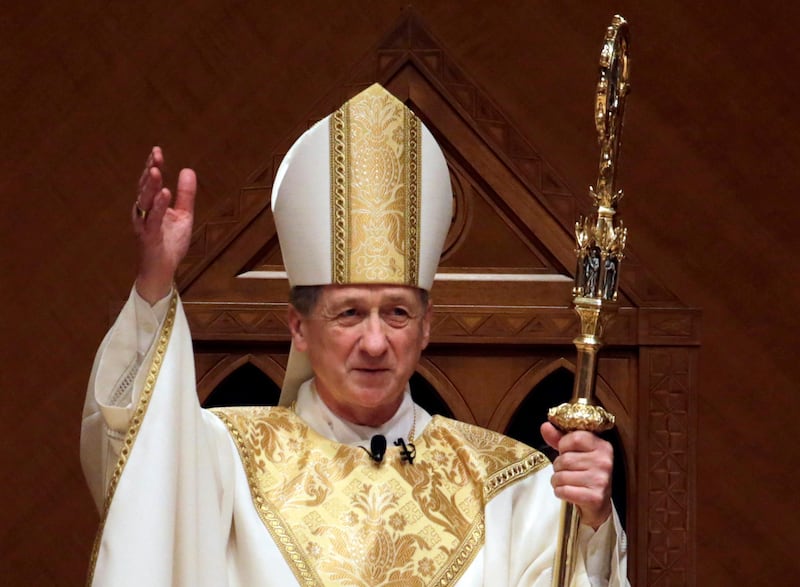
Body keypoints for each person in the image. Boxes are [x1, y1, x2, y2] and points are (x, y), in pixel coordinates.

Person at [81, 84, 628, 586]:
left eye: (396, 314)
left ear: (426, 328)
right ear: (299, 327)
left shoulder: (507, 487)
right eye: (347, 315)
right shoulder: (225, 459)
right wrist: (155, 279)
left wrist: (592, 520)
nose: (374, 342)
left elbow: (572, 573)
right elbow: (133, 462)